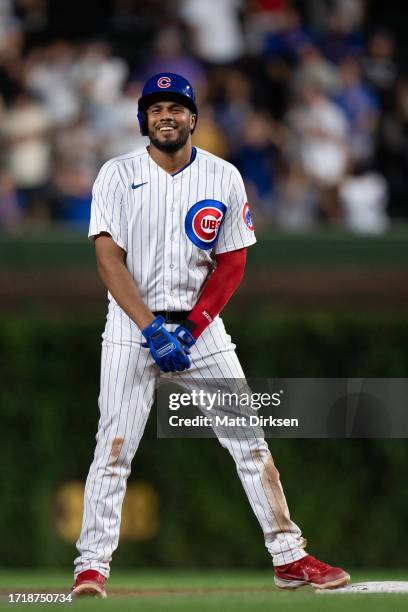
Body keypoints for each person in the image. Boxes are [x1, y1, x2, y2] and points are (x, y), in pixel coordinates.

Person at [71, 72, 350, 598]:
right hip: (134, 325)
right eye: (156, 109)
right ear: (143, 119)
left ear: (193, 117)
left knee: (250, 444)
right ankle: (92, 567)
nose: (166, 116)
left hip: (201, 326)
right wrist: (152, 328)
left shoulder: (223, 175)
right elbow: (108, 261)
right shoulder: (116, 173)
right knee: (114, 447)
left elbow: (232, 263)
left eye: (176, 108)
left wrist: (193, 327)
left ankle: (289, 558)